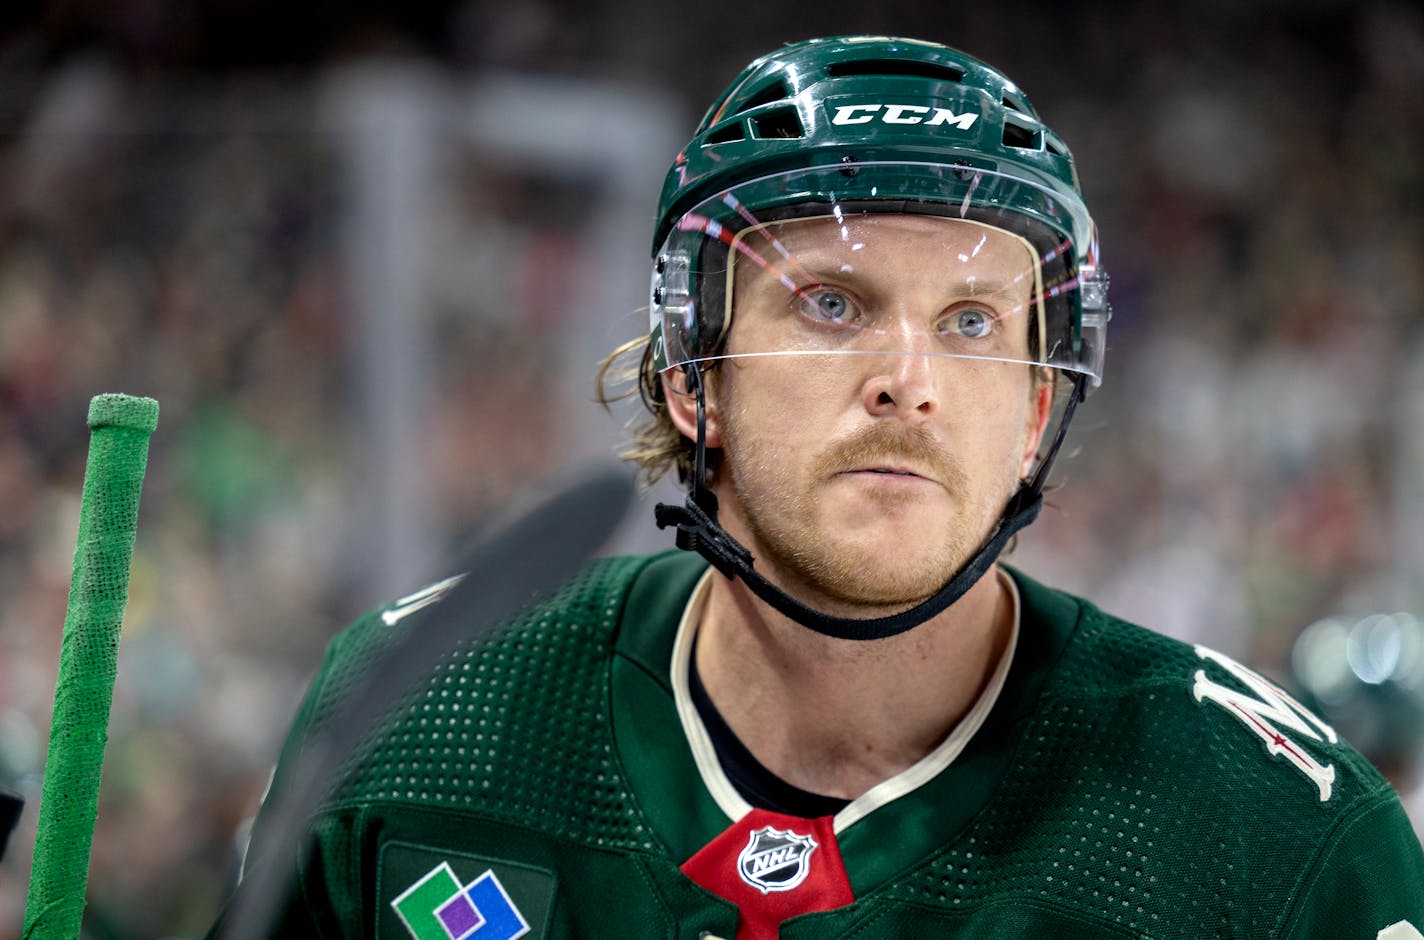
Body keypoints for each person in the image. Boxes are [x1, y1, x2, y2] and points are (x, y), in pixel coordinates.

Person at [213, 36, 1424, 938]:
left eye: (969, 320)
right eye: (831, 304)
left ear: (1036, 410)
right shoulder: (416, 714)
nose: (908, 380)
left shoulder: (1280, 840)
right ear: (690, 377)